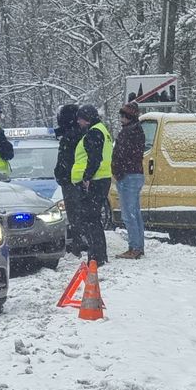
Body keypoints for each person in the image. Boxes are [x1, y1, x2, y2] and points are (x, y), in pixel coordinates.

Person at [71, 104, 113, 266]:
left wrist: (87, 178)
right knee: (94, 218)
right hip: (102, 179)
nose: (79, 122)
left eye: (80, 119)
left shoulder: (94, 132)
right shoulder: (102, 130)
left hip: (95, 180)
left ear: (87, 119)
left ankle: (95, 256)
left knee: (90, 219)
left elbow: (94, 158)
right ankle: (99, 255)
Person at [113, 101, 145, 259]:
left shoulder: (128, 132)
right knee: (135, 213)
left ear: (128, 116)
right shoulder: (137, 130)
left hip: (128, 176)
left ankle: (135, 247)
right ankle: (138, 245)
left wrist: (118, 171)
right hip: (136, 174)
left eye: (123, 116)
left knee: (129, 214)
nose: (121, 119)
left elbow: (122, 154)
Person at [54, 103, 85, 255]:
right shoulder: (80, 133)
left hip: (71, 180)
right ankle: (81, 240)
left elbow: (64, 161)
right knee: (79, 212)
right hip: (77, 178)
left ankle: (78, 243)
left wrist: (59, 174)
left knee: (74, 213)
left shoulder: (69, 137)